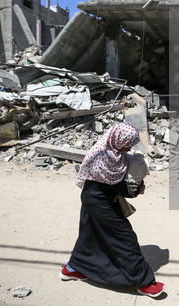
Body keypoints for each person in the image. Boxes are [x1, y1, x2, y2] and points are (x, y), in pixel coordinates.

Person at [60, 122, 165, 298]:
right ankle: (144, 282)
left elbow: (116, 179)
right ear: (118, 139)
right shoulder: (104, 157)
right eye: (127, 144)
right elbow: (119, 187)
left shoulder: (111, 149)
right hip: (99, 201)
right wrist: (136, 189)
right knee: (123, 238)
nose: (128, 148)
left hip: (92, 197)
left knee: (90, 234)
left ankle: (72, 269)